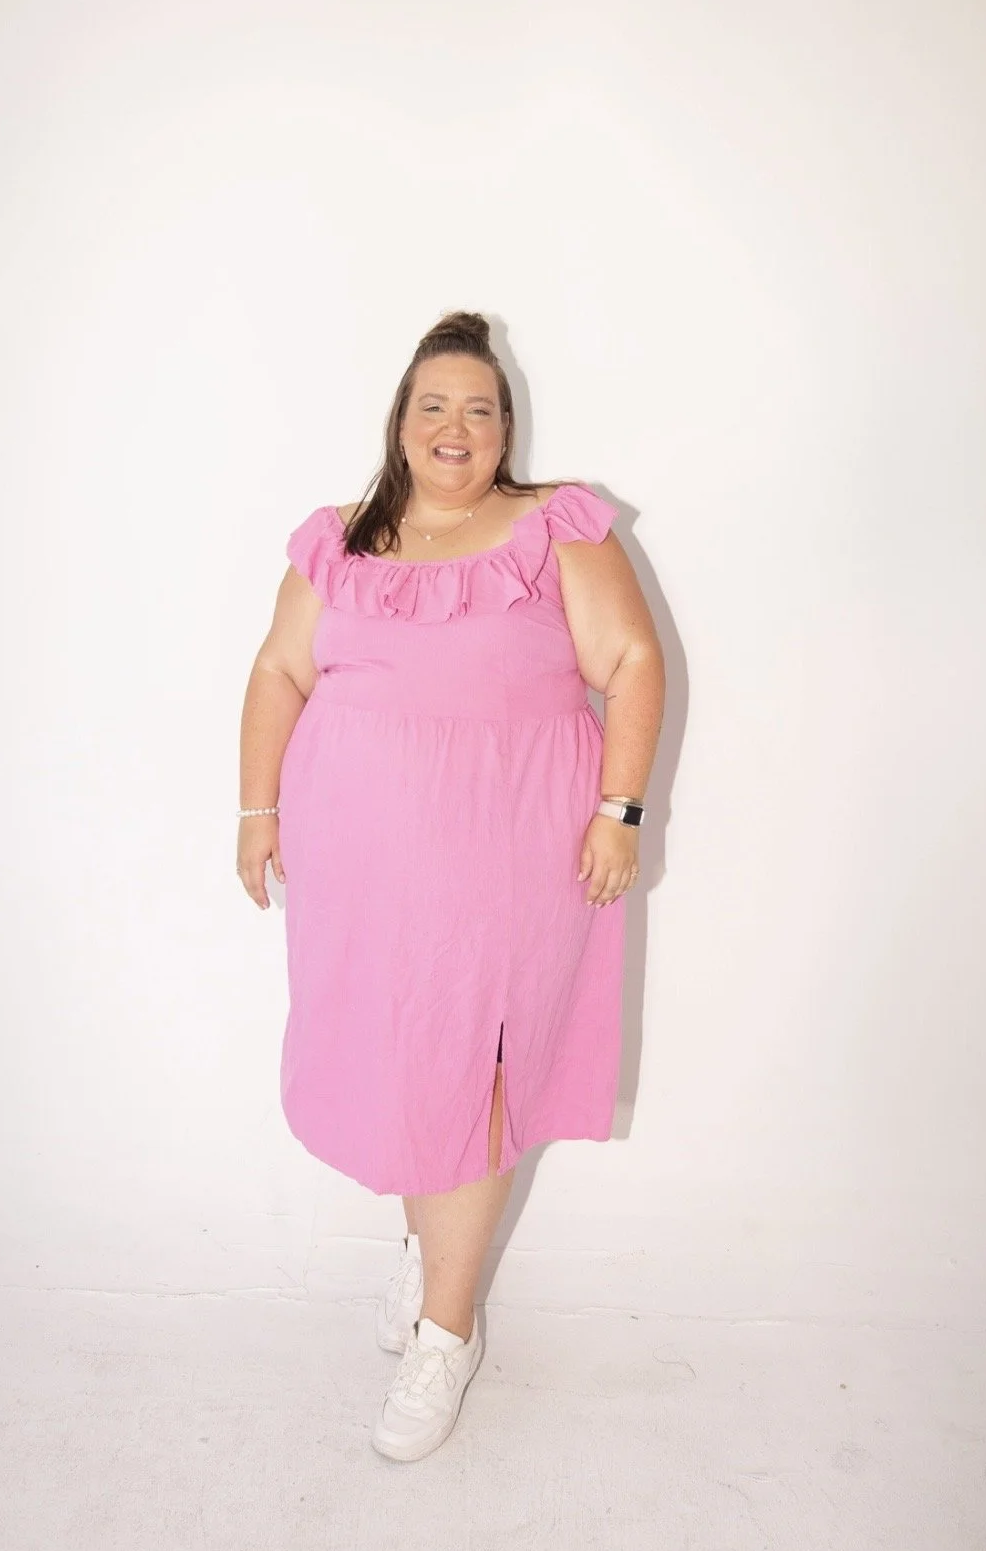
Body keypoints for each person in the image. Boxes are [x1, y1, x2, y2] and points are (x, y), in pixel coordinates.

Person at [236, 311, 666, 1461]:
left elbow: (630, 662)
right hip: (361, 879)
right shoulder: (340, 542)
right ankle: (433, 1255)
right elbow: (280, 669)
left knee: (475, 1076)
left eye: (480, 406)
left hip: (512, 868)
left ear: (506, 427)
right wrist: (257, 810)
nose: (456, 425)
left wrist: (621, 812)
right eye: (435, 403)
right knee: (399, 1063)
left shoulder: (553, 527)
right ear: (401, 421)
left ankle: (448, 1330)